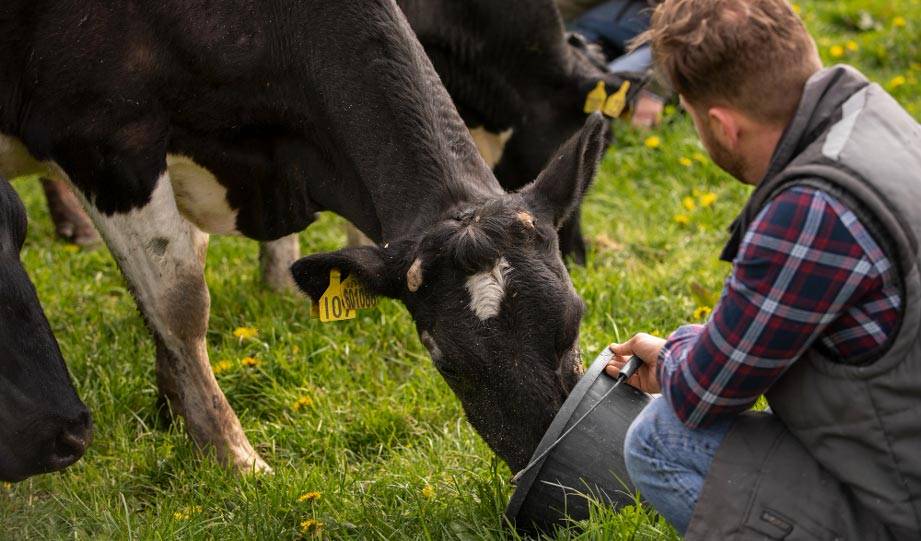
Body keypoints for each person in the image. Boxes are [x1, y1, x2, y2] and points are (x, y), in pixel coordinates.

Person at [605, 0, 921, 539]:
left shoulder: (811, 210)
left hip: (905, 496)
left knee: (661, 440)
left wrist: (679, 356)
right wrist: (684, 350)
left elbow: (706, 395)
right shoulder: (872, 116)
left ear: (722, 126)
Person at [563, 0, 667, 127]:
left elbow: (686, 39)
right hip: (593, 25)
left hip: (653, 43)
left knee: (599, 87)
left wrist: (654, 92)